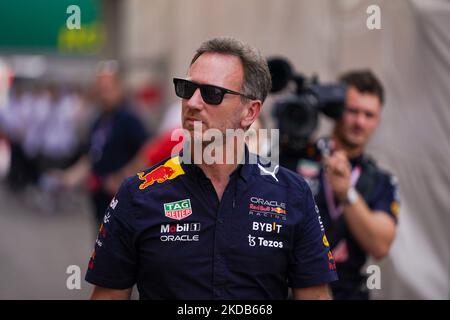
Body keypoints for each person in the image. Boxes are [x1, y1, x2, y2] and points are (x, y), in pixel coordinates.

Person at [85, 37, 338, 300]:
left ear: (250, 113)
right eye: (187, 88)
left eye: (211, 93)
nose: (192, 103)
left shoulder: (293, 194)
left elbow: (316, 296)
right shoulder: (138, 194)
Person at [283, 70, 400, 299]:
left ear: (378, 120)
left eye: (369, 114)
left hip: (349, 292)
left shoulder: (380, 179)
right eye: (353, 111)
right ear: (336, 110)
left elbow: (380, 246)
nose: (359, 122)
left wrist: (347, 194)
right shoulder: (296, 159)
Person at [52, 61, 149, 225]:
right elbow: (92, 157)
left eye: (108, 89)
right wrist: (68, 178)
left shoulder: (129, 119)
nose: (103, 95)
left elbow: (146, 153)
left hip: (124, 203)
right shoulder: (98, 121)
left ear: (119, 88)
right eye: (100, 90)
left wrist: (122, 178)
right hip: (99, 202)